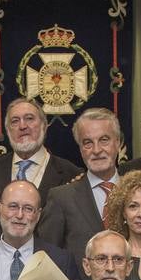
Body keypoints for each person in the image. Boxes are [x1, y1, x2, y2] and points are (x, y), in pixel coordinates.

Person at [0, 98, 81, 247]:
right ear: (8, 131)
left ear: (44, 126)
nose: (22, 126)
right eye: (15, 121)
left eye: (29, 119)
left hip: (48, 267)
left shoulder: (70, 173)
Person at [37, 107, 125, 263]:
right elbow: (47, 259)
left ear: (117, 143)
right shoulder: (61, 198)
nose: (96, 150)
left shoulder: (137, 193)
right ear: (80, 149)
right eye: (87, 143)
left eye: (104, 140)